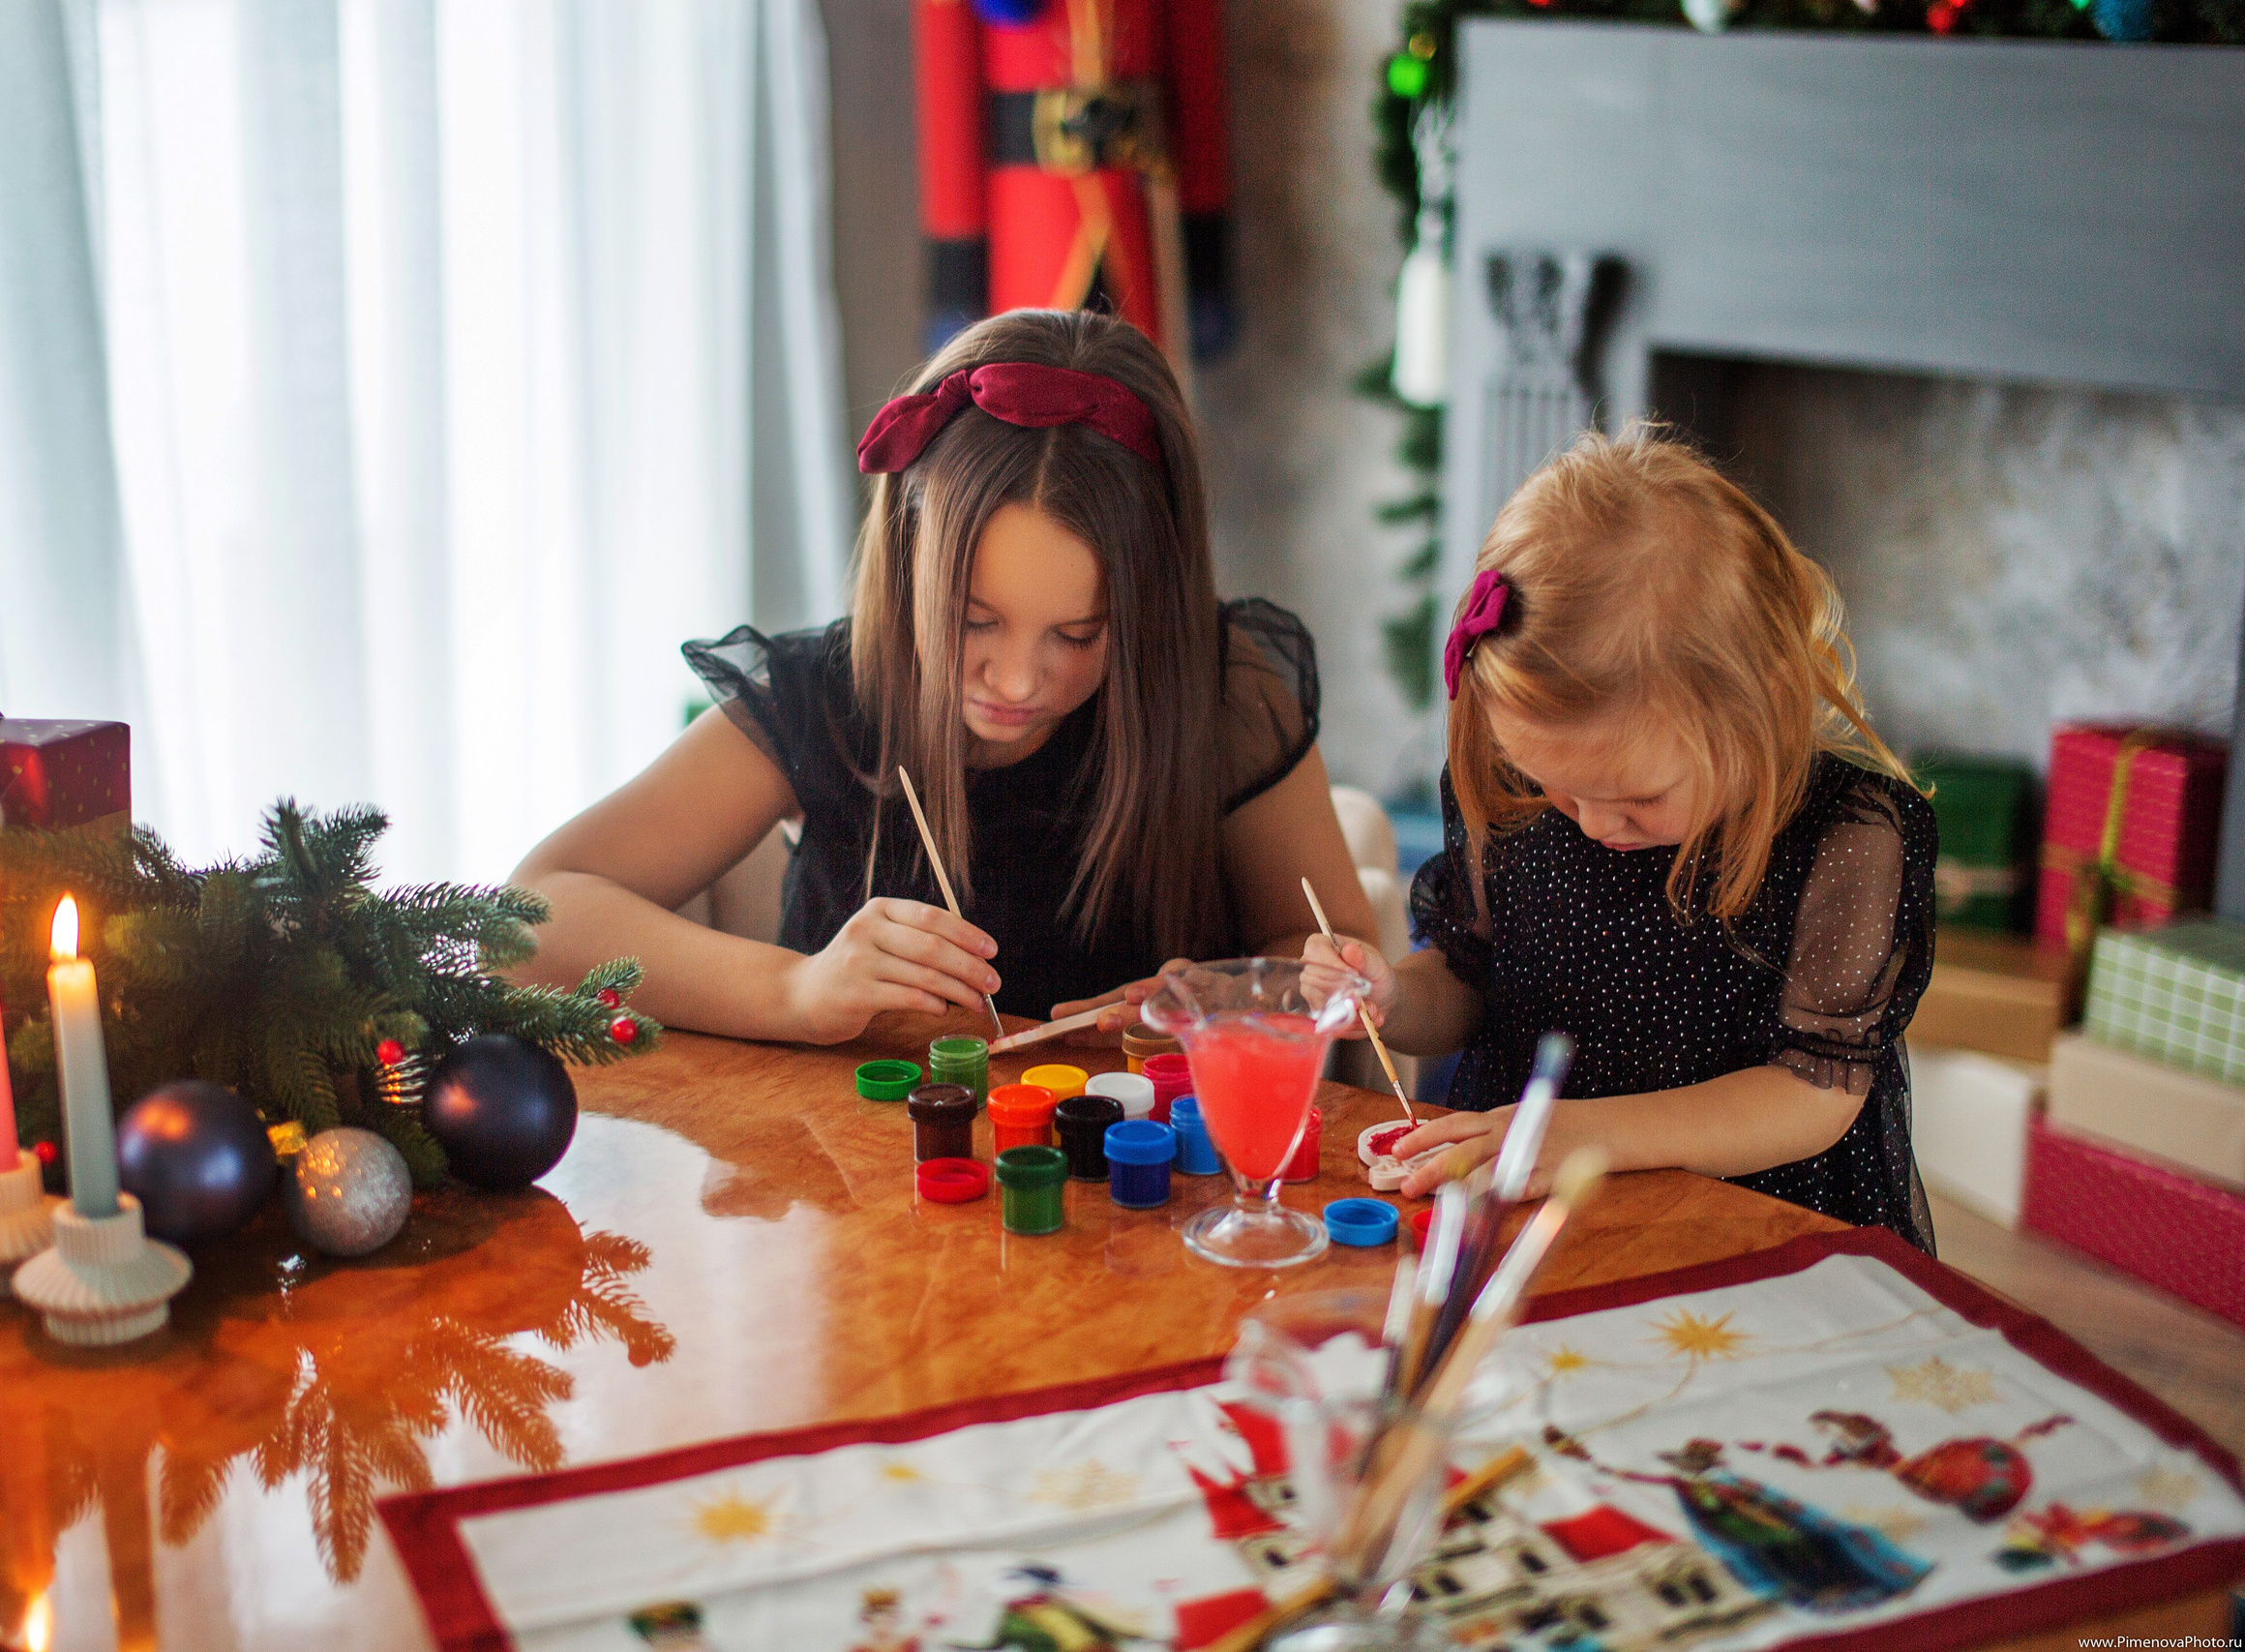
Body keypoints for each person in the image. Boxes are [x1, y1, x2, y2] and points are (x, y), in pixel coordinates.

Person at [513, 308, 1370, 1042]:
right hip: (853, 1190)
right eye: (972, 621)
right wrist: (796, 991)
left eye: (1077, 633)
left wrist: (1227, 998)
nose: (1019, 678)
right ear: (905, 562)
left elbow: (1332, 951)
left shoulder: (1215, 691)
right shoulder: (832, 696)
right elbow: (531, 916)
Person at [1304, 430, 1937, 1249]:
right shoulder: (1520, 794)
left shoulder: (1846, 842)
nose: (1598, 825)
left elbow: (1812, 1092)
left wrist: (1584, 1134)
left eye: (1640, 797)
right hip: (1522, 1214)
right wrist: (1394, 1000)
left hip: (1738, 1224)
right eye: (1561, 788)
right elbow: (1468, 982)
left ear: (1761, 704)